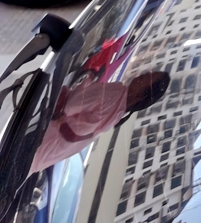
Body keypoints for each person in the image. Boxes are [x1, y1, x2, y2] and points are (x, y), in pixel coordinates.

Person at [29, 70, 170, 173]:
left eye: (147, 77)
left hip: (34, 134)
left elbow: (70, 105)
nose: (142, 75)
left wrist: (88, 80)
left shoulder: (116, 93)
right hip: (38, 157)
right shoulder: (117, 114)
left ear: (140, 96)